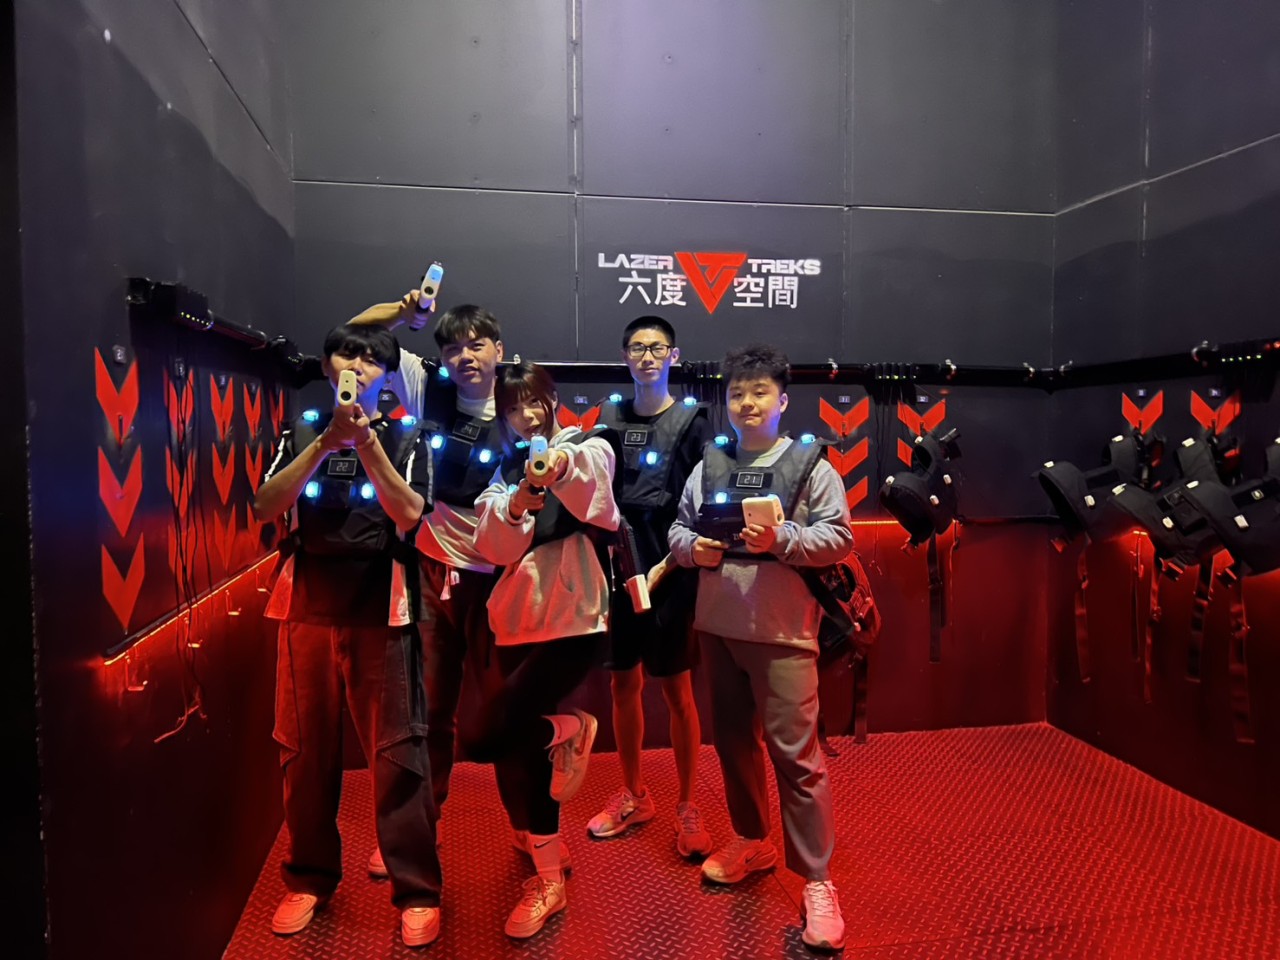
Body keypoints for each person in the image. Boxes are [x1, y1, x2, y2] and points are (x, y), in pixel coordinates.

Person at [253, 324, 440, 948]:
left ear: (387, 374)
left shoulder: (412, 436)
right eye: (346, 353)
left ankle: (417, 890)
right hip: (305, 604)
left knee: (397, 754)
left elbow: (409, 513)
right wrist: (325, 442)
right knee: (302, 752)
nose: (357, 364)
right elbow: (264, 505)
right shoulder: (299, 430)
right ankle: (308, 878)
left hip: (381, 605)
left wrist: (365, 443)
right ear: (328, 366)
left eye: (371, 357)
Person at [667, 343, 852, 952]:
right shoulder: (710, 462)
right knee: (733, 745)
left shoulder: (811, 465)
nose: (747, 403)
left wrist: (783, 539)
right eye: (737, 393)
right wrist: (692, 550)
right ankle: (752, 840)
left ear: (782, 401)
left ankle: (817, 881)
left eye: (759, 392)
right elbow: (678, 528)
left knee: (797, 759)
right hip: (718, 628)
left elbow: (838, 538)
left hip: (783, 633)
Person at [351, 296, 528, 876]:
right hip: (433, 573)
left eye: (476, 345)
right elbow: (354, 336)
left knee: (511, 713)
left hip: (505, 579)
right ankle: (421, 826)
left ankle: (532, 829)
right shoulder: (427, 388)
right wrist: (405, 311)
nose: (464, 356)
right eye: (453, 348)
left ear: (499, 349)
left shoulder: (522, 401)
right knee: (428, 712)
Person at [466, 360, 618, 939]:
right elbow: (494, 548)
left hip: (576, 618)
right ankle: (549, 873)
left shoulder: (589, 444)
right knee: (520, 753)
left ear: (552, 399)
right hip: (516, 621)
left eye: (533, 400)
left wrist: (557, 467)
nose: (525, 415)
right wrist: (518, 501)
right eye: (512, 407)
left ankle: (571, 728)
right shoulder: (503, 472)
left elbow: (595, 492)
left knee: (485, 735)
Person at [589, 316, 714, 856]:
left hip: (673, 568)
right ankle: (635, 793)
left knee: (678, 691)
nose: (646, 356)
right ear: (625, 356)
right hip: (620, 564)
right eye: (637, 347)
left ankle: (688, 803)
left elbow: (706, 500)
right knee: (623, 685)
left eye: (657, 348)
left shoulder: (693, 422)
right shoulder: (607, 418)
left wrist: (679, 560)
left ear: (673, 356)